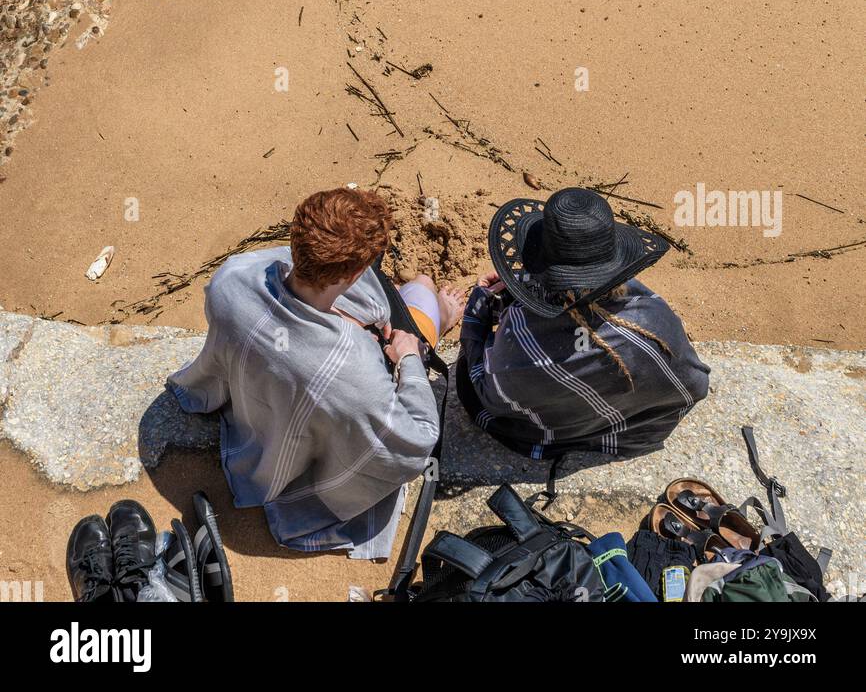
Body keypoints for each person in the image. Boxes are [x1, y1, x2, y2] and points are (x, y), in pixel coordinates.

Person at [167, 187, 462, 559]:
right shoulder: (355, 374)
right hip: (367, 364)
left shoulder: (232, 278)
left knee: (415, 293)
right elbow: (418, 439)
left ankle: (436, 316)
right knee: (422, 287)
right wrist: (408, 358)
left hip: (300, 354)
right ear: (356, 272)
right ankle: (442, 321)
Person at [457, 187, 709, 462]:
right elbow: (696, 384)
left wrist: (479, 309)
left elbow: (491, 394)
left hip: (543, 432)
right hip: (639, 429)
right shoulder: (655, 317)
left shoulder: (519, 338)